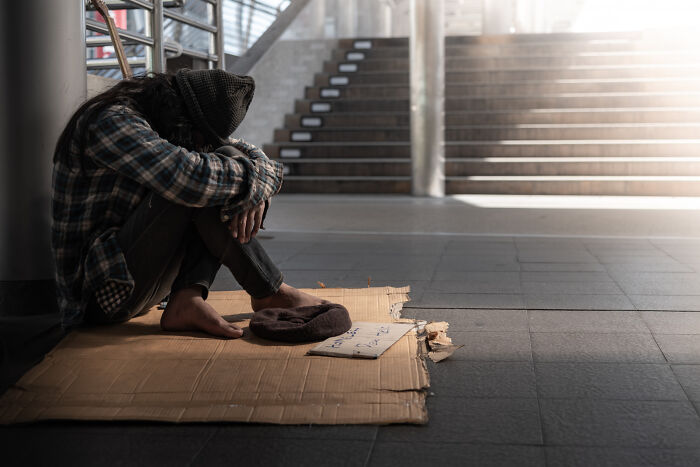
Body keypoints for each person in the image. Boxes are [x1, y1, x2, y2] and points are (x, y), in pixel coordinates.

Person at [51, 69, 324, 338]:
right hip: (102, 293)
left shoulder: (166, 120)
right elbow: (187, 177)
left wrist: (256, 187)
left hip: (142, 286)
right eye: (200, 138)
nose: (200, 144)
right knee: (201, 180)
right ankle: (269, 291)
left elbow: (241, 151)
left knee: (225, 160)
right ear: (181, 114)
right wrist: (253, 185)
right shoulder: (111, 121)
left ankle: (187, 298)